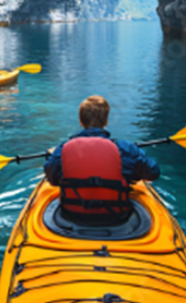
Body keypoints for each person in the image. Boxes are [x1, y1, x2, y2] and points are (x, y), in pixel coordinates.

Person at [44, 95, 161, 224]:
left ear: (81, 121)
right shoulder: (127, 149)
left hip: (72, 216)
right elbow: (153, 172)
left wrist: (53, 155)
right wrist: (135, 158)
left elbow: (52, 179)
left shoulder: (63, 150)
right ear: (106, 121)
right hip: (117, 218)